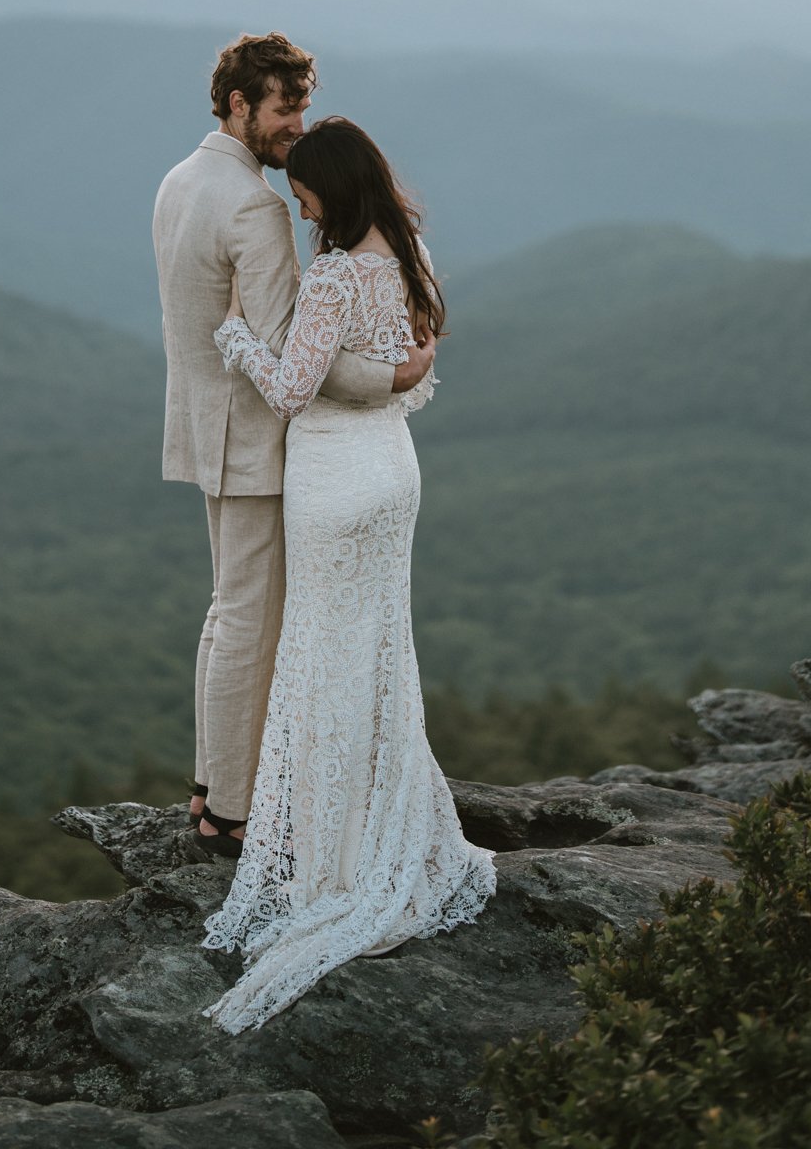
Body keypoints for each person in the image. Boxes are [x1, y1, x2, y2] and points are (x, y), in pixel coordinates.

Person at [201, 114, 496, 1031]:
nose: (301, 208)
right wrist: (372, 378)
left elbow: (291, 390)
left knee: (324, 656)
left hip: (330, 479)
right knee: (379, 654)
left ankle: (334, 863)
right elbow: (415, 375)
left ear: (335, 187)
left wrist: (236, 336)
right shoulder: (414, 259)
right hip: (395, 475)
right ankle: (384, 826)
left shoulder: (333, 276)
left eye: (305, 194)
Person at [153, 33, 435, 855]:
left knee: (225, 610)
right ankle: (233, 809)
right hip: (259, 441)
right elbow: (296, 358)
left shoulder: (180, 179)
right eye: (285, 107)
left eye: (303, 105)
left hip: (206, 427)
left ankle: (212, 782)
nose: (296, 124)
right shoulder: (256, 206)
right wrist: (401, 371)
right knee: (253, 618)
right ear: (240, 103)